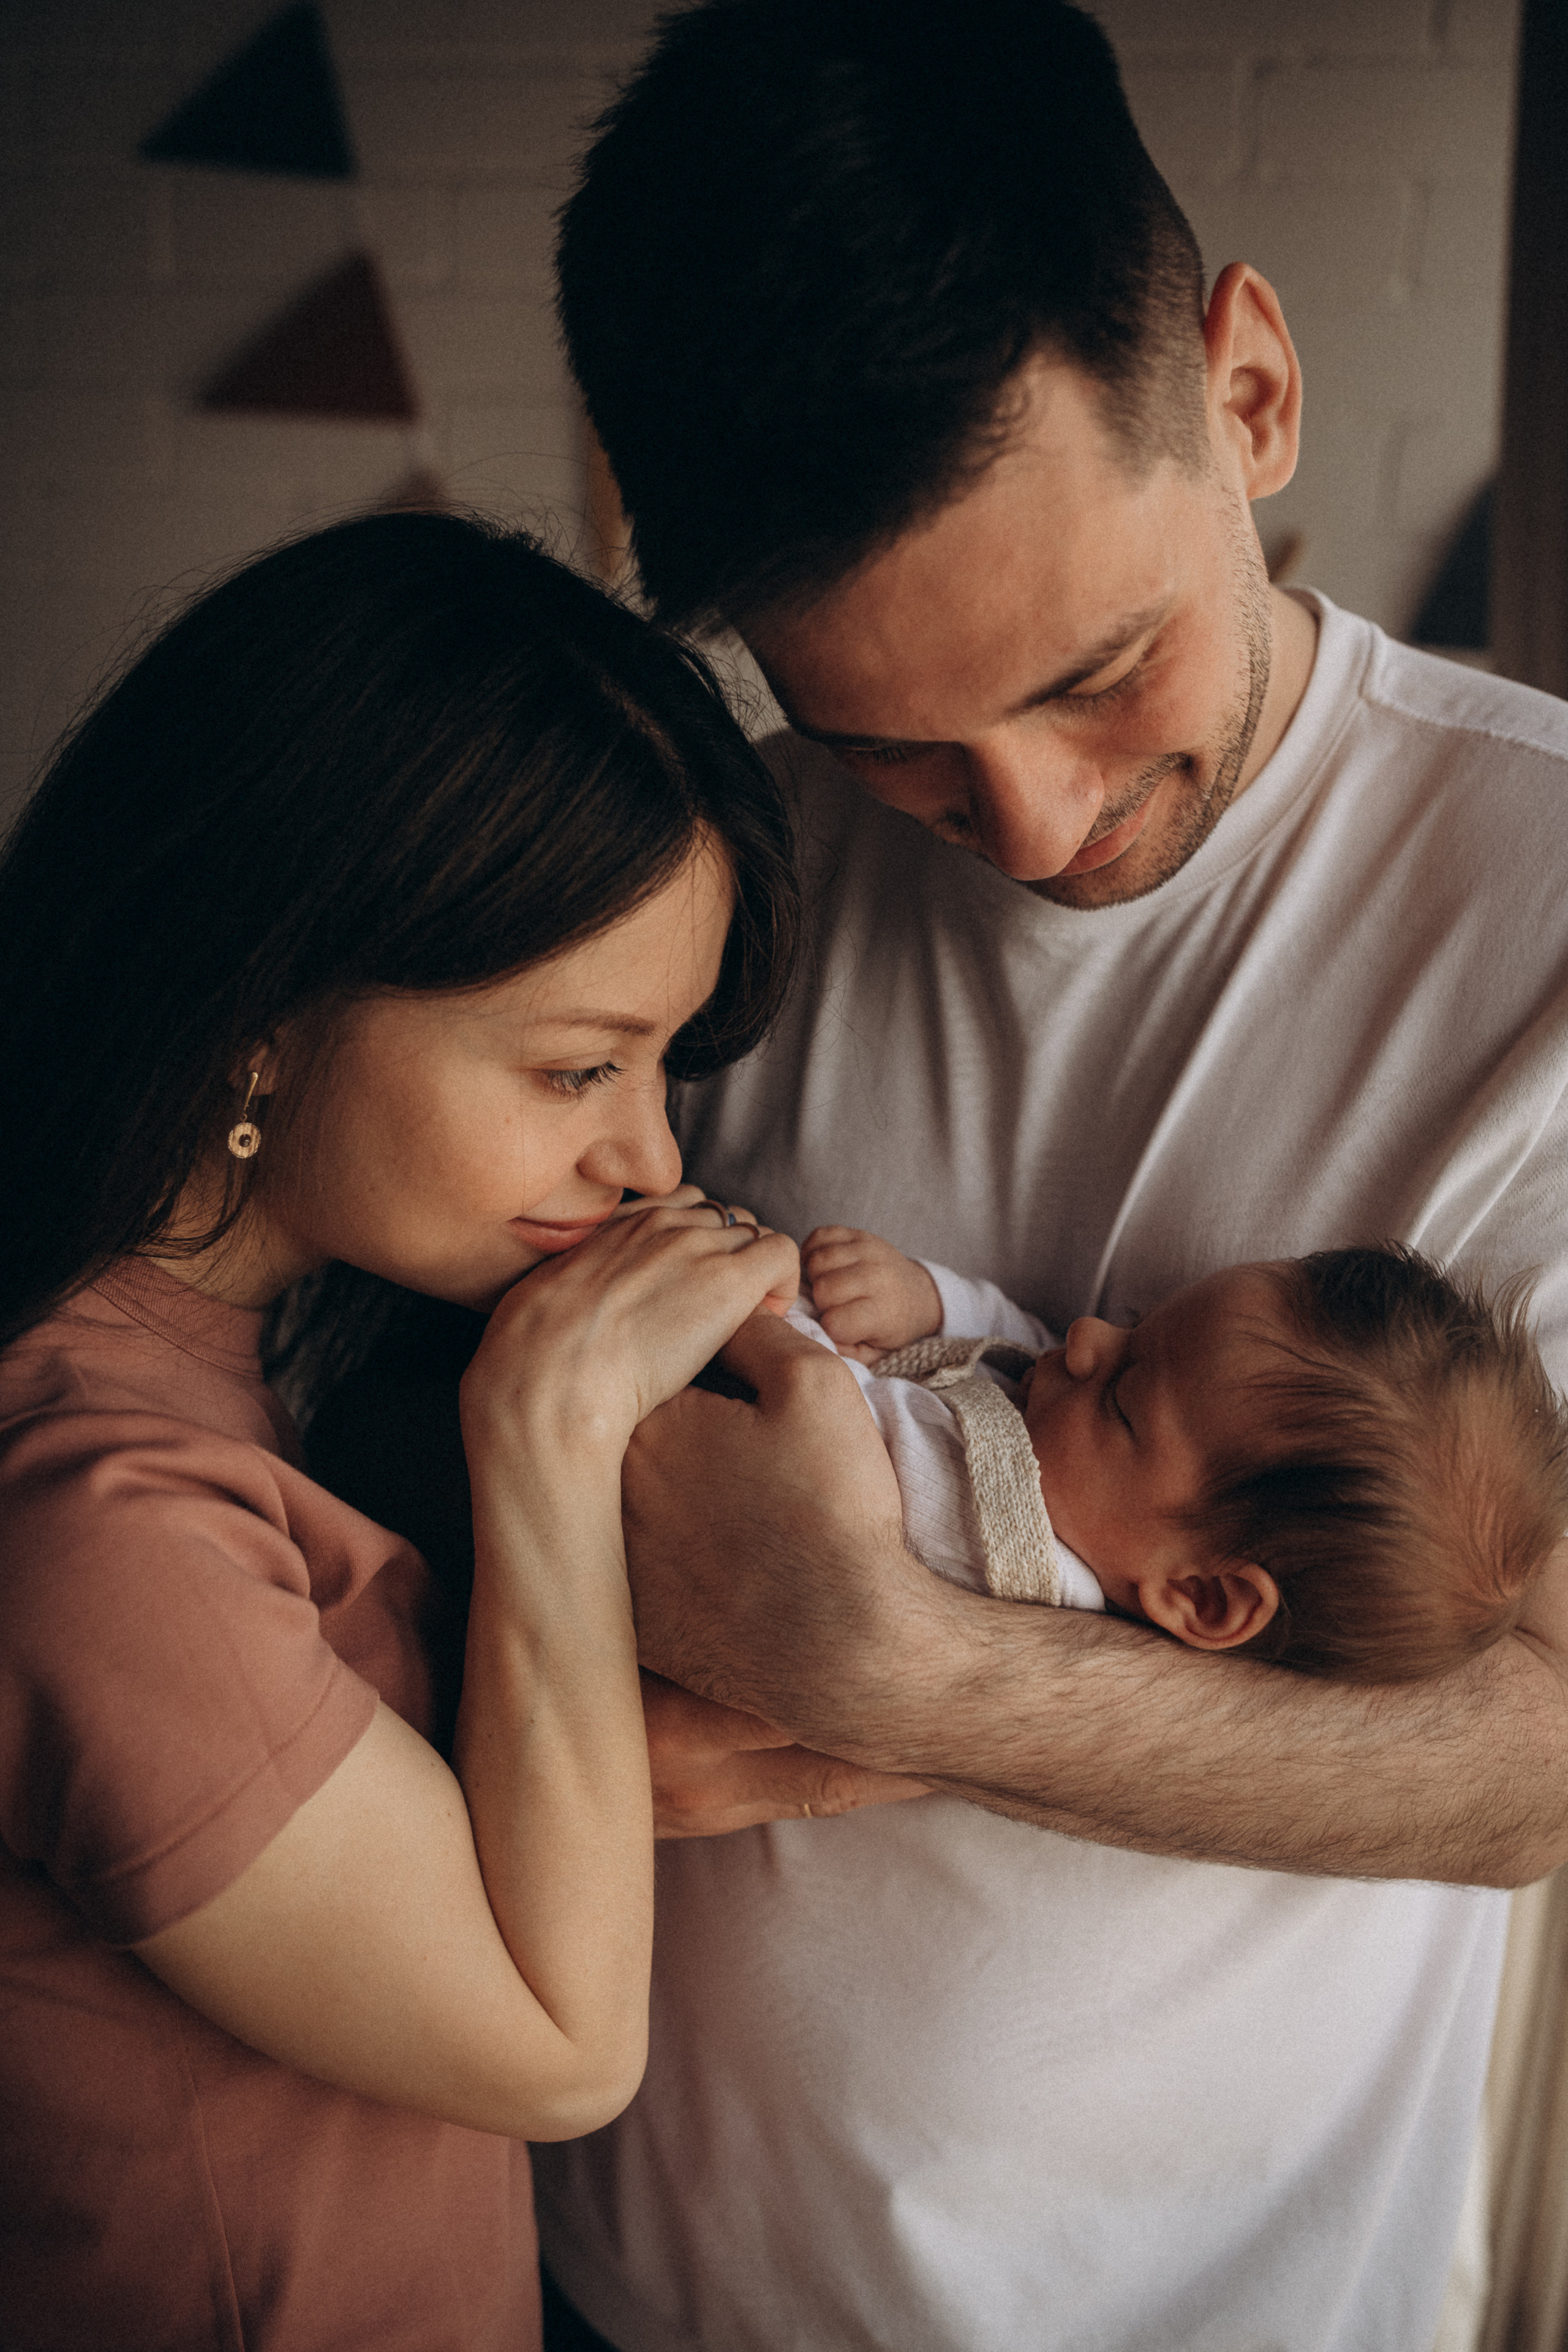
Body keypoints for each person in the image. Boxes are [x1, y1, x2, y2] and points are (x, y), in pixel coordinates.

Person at [533, 1, 1568, 2346]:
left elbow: (1536, 1759)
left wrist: (875, 1661)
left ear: (1247, 391)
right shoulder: (705, 861)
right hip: (607, 2278)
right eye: (886, 741)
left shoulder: (1539, 913)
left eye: (1099, 672)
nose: (1024, 826)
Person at [0, 510, 814, 2351]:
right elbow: (558, 2046)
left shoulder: (248, 1352)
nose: (648, 1162)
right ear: (265, 1022)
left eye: (660, 1067)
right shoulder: (99, 1514)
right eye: (573, 1068)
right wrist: (551, 1423)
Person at [791, 1232, 1568, 1681]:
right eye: (1136, 1322)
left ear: (1200, 1596)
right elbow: (1018, 1346)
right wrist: (931, 1301)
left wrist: (771, 1317)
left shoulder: (1002, 1559)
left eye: (1125, 1400)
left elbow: (832, 1430)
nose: (1087, 1335)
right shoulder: (1087, 1477)